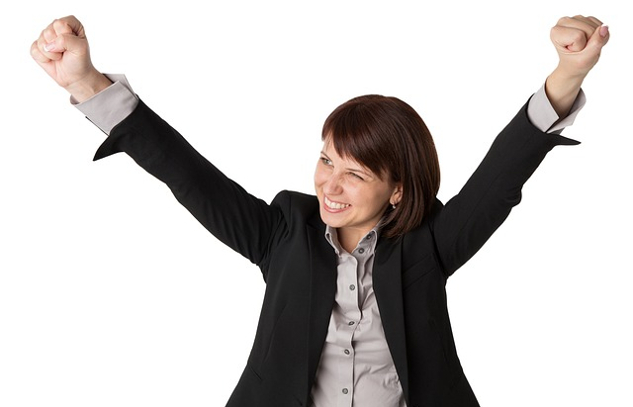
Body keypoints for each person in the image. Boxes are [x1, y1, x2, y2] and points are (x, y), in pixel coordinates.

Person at [31, 14, 609, 407]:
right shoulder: (283, 231)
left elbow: (499, 178)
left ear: (400, 189)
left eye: (355, 173)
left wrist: (568, 75)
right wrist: (86, 81)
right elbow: (187, 174)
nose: (330, 184)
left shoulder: (431, 242)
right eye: (327, 159)